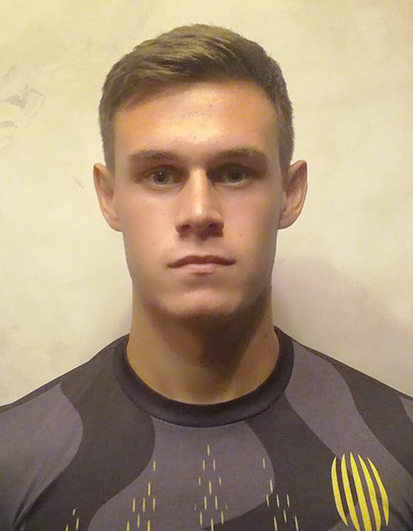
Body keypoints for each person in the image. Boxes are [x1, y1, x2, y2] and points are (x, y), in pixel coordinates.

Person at [1, 24, 412, 531]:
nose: (199, 212)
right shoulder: (12, 460)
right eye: (160, 175)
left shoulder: (401, 449)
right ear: (109, 197)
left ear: (290, 193)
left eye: (234, 172)